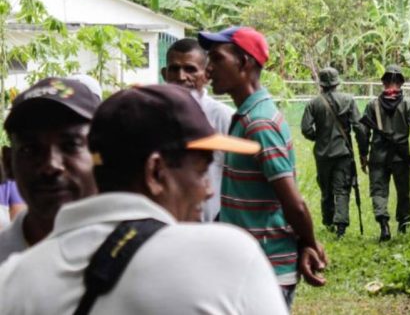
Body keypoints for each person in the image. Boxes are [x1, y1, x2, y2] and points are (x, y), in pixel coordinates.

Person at [0, 84, 289, 314]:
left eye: (70, 145)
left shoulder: (13, 280)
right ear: (155, 171)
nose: (209, 190)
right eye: (202, 172)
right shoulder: (225, 255)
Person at [199, 26, 327, 306]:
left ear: (244, 63)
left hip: (264, 272)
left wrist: (308, 243)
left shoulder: (259, 123)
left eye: (217, 58)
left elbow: (294, 203)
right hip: (246, 267)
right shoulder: (245, 117)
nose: (208, 69)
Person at [0, 77, 101, 263]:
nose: (51, 165)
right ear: (8, 163)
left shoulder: (138, 256)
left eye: (71, 145)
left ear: (101, 154)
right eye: (31, 149)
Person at [161, 37, 233, 222]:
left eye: (190, 69)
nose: (181, 77)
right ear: (164, 73)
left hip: (212, 224)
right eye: (174, 69)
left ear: (207, 75)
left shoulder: (222, 117)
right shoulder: (154, 115)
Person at [359, 64, 410, 242]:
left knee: (378, 191)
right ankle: (403, 227)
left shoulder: (372, 105)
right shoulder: (408, 104)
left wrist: (363, 154)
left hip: (377, 157)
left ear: (383, 82)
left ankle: (384, 225)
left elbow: (363, 132)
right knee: (403, 192)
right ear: (401, 83)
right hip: (401, 157)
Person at [301, 67, 366, 238]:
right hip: (343, 153)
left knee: (326, 190)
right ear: (337, 82)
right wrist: (363, 151)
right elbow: (359, 128)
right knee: (342, 189)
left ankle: (328, 222)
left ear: (321, 84)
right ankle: (341, 227)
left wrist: (319, 138)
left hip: (322, 155)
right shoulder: (348, 100)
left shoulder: (313, 103)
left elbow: (306, 129)